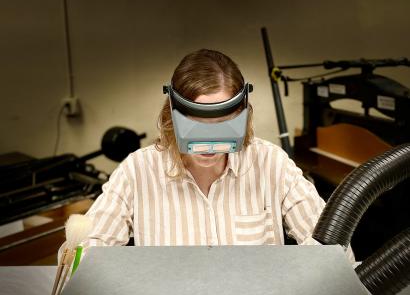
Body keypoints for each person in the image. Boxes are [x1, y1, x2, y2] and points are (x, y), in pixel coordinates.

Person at [61, 48, 353, 260]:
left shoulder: (270, 164)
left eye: (223, 126)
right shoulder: (138, 171)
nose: (208, 144)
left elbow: (332, 248)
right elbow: (85, 255)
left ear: (243, 116)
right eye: (196, 126)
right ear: (172, 116)